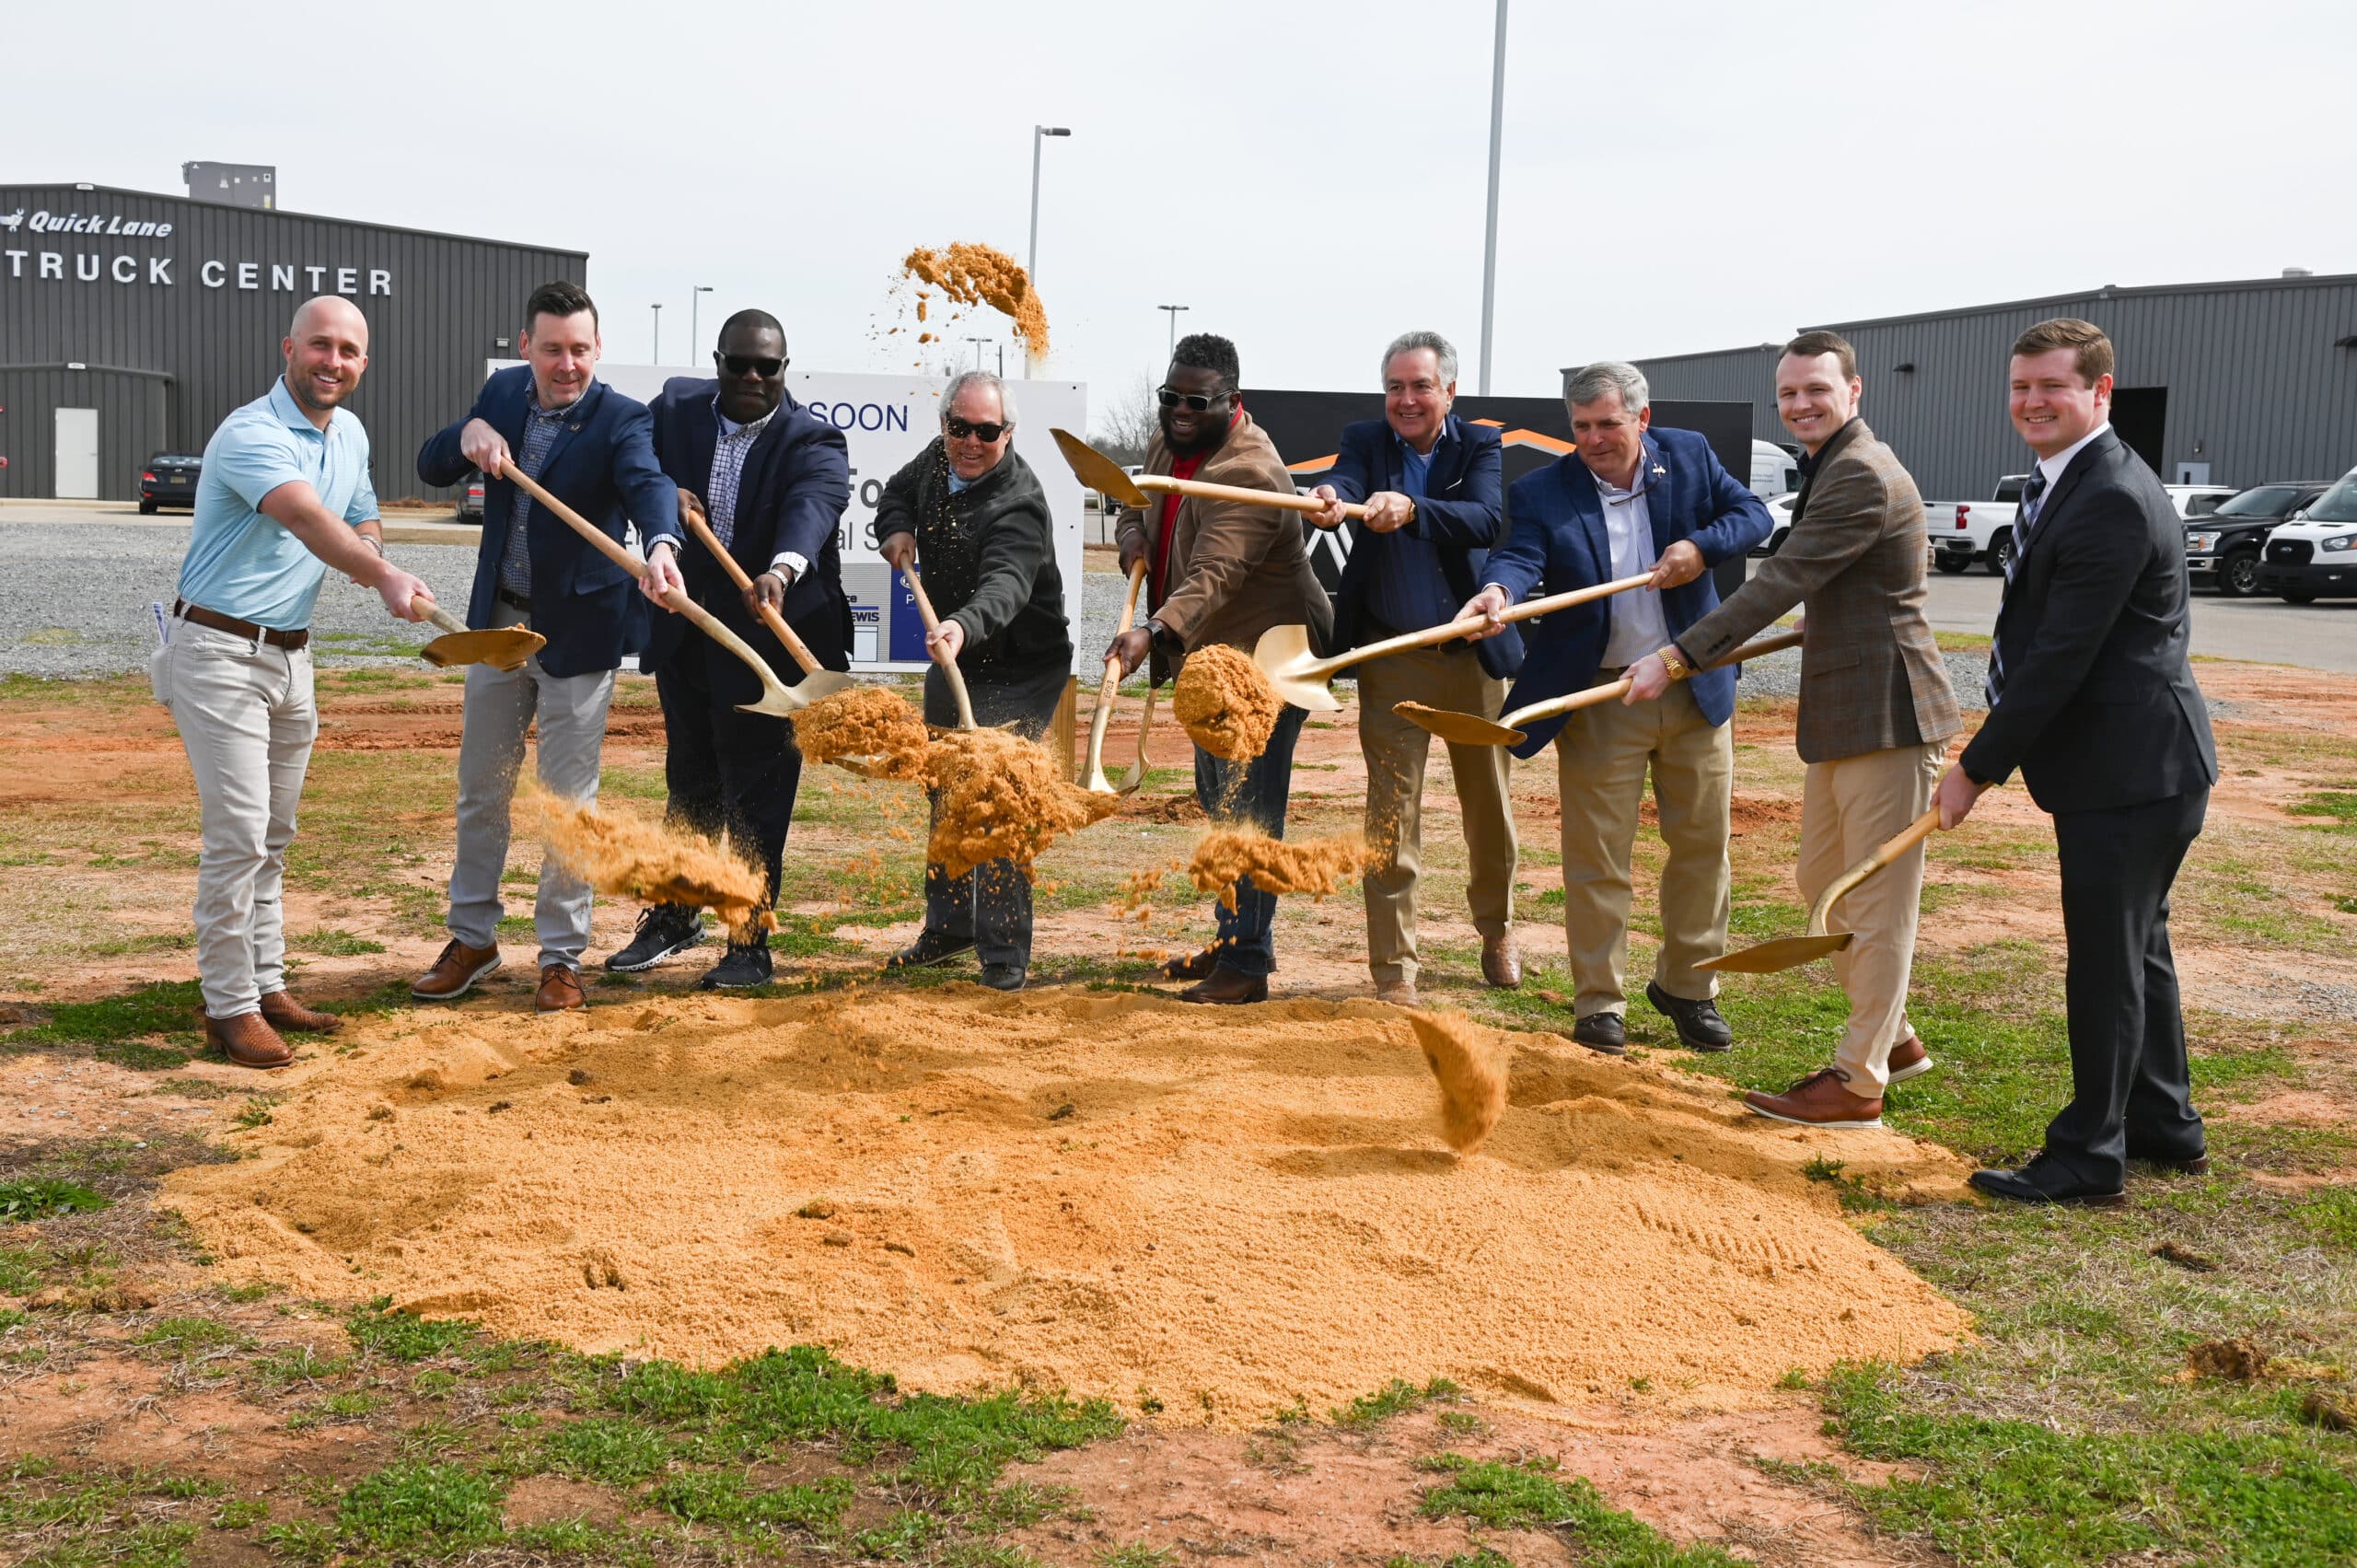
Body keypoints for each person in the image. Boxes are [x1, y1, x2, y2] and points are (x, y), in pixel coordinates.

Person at [1628, 331, 1960, 1124]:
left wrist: (1676, 657)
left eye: (1816, 389)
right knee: (1822, 884)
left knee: (1875, 904)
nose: (1801, 405)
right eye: (1788, 394)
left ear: (1855, 391)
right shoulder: (1834, 467)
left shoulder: (1860, 476)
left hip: (1890, 713)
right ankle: (1897, 1035)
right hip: (1849, 715)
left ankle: (1859, 1080)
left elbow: (1781, 579)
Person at [1937, 318, 2218, 1206]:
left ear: (2100, 391)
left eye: (2052, 387)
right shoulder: (2077, 478)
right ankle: (2163, 1124)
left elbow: (2060, 658)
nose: (2031, 402)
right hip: (2139, 766)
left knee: (2106, 959)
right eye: (2021, 387)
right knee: (2139, 950)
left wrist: (1974, 769)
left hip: (2131, 772)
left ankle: (2089, 1157)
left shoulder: (2108, 496)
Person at [1461, 362, 1771, 1054]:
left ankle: (1690, 988)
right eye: (1582, 427)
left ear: (1643, 419)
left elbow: (1751, 515)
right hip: (1603, 696)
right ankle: (1600, 1001)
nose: (1595, 439)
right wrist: (1498, 594)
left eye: (1608, 423)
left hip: (1693, 683)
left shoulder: (1687, 456)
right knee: (1598, 857)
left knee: (1701, 848)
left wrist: (1700, 547)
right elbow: (1517, 556)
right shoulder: (1543, 488)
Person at [157, 297, 434, 1069]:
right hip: (218, 652)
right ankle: (229, 1006)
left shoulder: (349, 432)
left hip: (291, 657)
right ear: (289, 348)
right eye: (320, 345)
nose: (333, 362)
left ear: (362, 365)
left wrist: (372, 548)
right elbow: (310, 519)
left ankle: (266, 981)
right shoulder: (250, 433)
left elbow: (361, 512)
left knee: (275, 835)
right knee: (240, 835)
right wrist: (379, 574)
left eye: (349, 351)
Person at [411, 281, 678, 1013]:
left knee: (568, 802)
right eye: (553, 349)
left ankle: (561, 958)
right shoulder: (500, 394)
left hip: (579, 636)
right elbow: (430, 465)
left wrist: (659, 542)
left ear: (598, 349)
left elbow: (648, 484)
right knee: (481, 789)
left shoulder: (621, 419)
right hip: (498, 628)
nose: (567, 365)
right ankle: (472, 939)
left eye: (581, 350)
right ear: (526, 346)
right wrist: (466, 434)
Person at [605, 309, 853, 989]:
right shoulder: (678, 406)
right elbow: (633, 454)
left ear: (784, 369)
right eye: (738, 364)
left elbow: (813, 507)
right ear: (717, 362)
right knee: (689, 778)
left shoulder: (815, 439)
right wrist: (660, 490)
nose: (751, 376)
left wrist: (781, 569)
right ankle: (677, 911)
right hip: (688, 628)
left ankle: (749, 938)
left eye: (765, 366)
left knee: (757, 793)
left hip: (768, 641)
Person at [1108, 333, 1333, 1005]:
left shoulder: (1251, 472)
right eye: (1169, 397)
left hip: (1267, 658)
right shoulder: (1171, 441)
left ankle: (1248, 963)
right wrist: (1131, 541)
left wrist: (1153, 629)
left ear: (1232, 401)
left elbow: (1215, 574)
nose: (1178, 410)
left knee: (1249, 807)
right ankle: (1232, 939)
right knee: (1219, 800)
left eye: (1195, 401)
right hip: (1214, 660)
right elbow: (1133, 501)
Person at [1307, 331, 1519, 1007]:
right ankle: (1394, 968)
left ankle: (1498, 929)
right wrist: (1332, 494)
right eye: (1395, 386)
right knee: (1390, 818)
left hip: (1468, 661)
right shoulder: (1367, 439)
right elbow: (1344, 474)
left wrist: (1414, 509)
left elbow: (1486, 518)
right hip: (1391, 658)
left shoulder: (1479, 445)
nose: (1406, 399)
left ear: (1448, 392)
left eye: (1420, 386)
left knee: (1488, 811)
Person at [877, 371, 1073, 992]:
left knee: (995, 797)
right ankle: (951, 924)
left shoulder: (1018, 502)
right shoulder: (936, 459)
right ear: (945, 426)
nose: (969, 442)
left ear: (1008, 434)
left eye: (986, 432)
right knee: (946, 791)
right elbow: (897, 493)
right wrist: (896, 527)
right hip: (955, 660)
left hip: (1018, 665)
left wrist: (961, 626)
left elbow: (1006, 587)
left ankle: (1004, 950)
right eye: (959, 427)